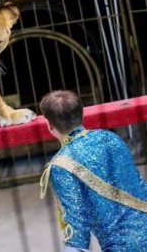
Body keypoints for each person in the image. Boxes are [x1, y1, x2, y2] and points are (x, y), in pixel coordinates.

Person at [39, 90, 147, 252]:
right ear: (82, 115)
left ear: (49, 125)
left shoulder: (61, 165)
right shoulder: (110, 138)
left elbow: (78, 233)